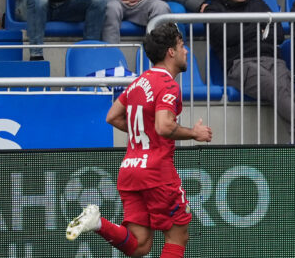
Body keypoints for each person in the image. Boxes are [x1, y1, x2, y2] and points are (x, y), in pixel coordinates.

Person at [64, 22, 212, 258]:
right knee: (178, 236)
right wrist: (194, 133)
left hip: (130, 171)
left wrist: (144, 133)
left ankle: (98, 223)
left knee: (140, 246)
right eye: (182, 45)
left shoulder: (138, 83)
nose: (186, 51)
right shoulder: (168, 85)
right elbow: (164, 126)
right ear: (170, 52)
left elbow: (112, 116)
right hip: (157, 172)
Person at [204, 0, 295, 144]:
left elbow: (279, 34)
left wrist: (243, 29)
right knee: (277, 88)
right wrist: (256, 28)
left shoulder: (258, 3)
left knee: (285, 89)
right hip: (240, 64)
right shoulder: (213, 11)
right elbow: (224, 37)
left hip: (273, 59)